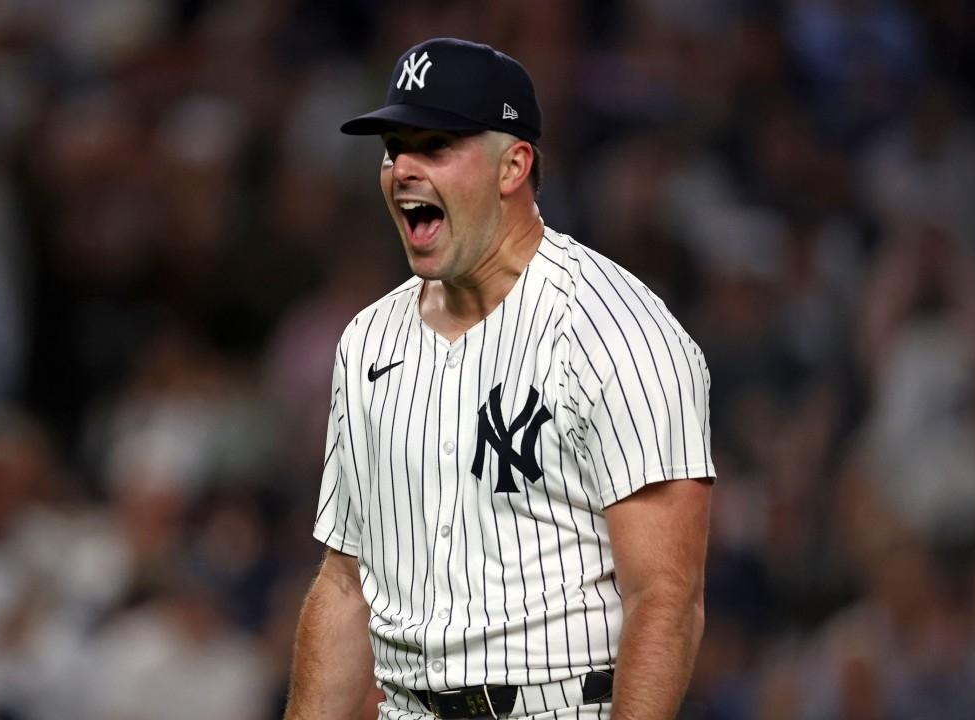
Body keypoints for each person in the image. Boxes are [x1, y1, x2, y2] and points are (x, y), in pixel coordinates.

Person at [285, 37, 715, 720]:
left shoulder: (617, 332)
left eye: (434, 146)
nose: (402, 169)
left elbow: (665, 598)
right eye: (393, 148)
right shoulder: (368, 341)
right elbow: (345, 588)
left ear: (514, 163)